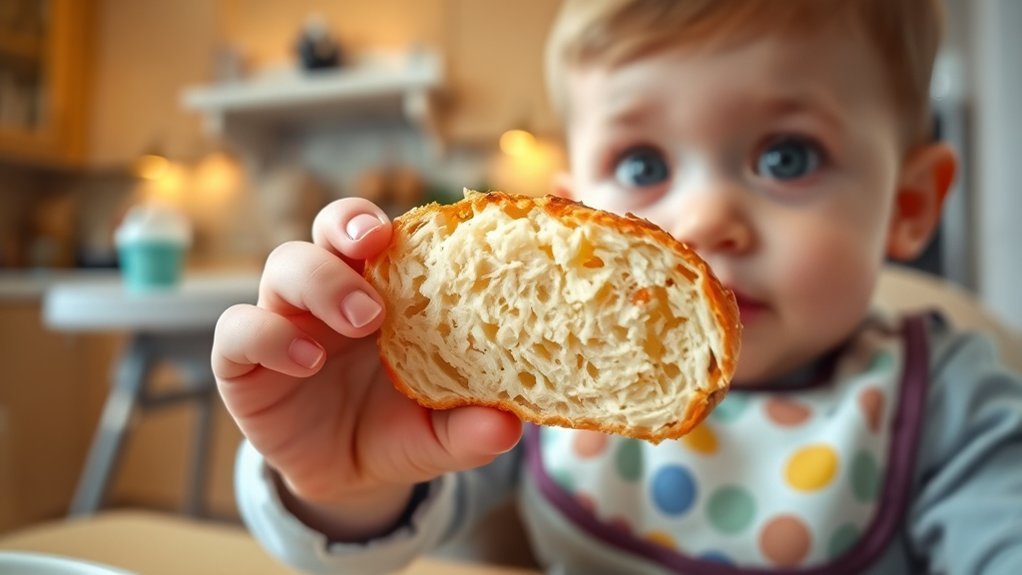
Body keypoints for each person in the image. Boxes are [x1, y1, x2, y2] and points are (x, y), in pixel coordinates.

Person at [211, 1, 1022, 573]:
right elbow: (388, 530)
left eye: (788, 157)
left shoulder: (949, 402)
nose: (704, 221)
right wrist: (339, 480)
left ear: (908, 205)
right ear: (569, 213)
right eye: (641, 165)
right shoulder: (526, 387)